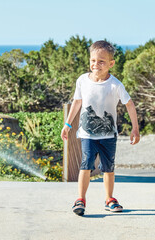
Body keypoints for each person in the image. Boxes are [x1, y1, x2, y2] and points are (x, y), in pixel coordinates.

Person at [61, 40, 140, 216]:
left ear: (111, 64)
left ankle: (109, 199)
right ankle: (80, 199)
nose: (96, 64)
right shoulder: (82, 80)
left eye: (101, 61)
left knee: (108, 168)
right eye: (93, 60)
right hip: (87, 134)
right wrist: (67, 124)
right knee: (86, 164)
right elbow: (77, 102)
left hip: (108, 135)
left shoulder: (115, 85)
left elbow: (130, 104)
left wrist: (135, 128)